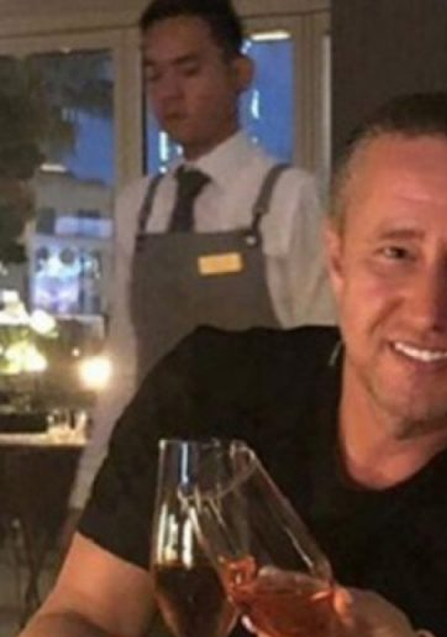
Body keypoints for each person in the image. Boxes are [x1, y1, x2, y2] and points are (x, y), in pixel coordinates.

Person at [8, 92, 447, 637]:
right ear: (336, 260)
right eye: (396, 253)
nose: (428, 310)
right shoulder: (209, 389)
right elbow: (65, 626)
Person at [68, 0, 336, 512]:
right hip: (148, 476)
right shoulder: (137, 206)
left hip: (264, 481)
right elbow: (124, 365)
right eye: (155, 75)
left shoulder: (288, 198)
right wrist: (87, 495)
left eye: (189, 70)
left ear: (240, 74)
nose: (169, 92)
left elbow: (326, 362)